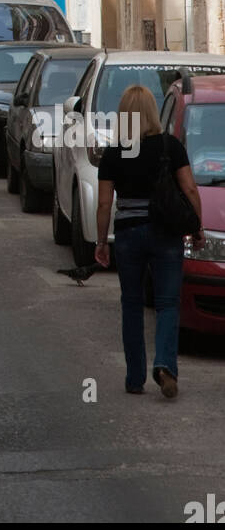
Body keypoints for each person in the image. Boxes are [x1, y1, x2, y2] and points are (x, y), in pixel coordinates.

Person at [96, 85, 204, 399]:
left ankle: (133, 378)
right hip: (166, 232)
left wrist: (102, 242)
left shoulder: (114, 152)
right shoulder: (170, 147)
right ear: (152, 112)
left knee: (131, 304)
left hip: (128, 235)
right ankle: (165, 367)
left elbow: (104, 204)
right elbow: (190, 190)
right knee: (168, 303)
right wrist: (196, 227)